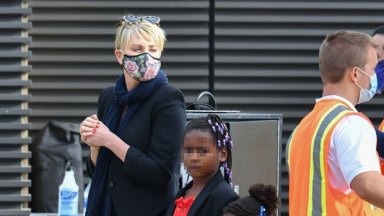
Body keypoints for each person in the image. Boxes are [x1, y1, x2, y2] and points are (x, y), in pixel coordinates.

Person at [79, 14, 186, 216]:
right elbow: (99, 171)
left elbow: (162, 173)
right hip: (104, 207)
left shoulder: (168, 98)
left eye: (153, 49)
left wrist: (110, 140)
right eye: (137, 49)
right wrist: (94, 144)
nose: (146, 56)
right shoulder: (109, 97)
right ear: (120, 56)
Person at [286, 30, 384, 215]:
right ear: (356, 74)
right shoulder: (351, 123)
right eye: (372, 69)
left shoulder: (303, 128)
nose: (375, 76)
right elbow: (368, 184)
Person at [165, 114, 239, 216]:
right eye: (189, 151)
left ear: (222, 154)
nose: (194, 157)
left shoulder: (226, 198)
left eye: (203, 151)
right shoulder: (181, 194)